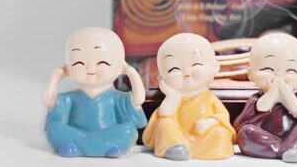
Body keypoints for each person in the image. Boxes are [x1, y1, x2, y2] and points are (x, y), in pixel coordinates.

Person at [42, 27, 147, 157]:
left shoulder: (115, 98)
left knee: (129, 130)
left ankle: (80, 145)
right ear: (68, 68)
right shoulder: (71, 98)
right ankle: (102, 146)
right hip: (77, 132)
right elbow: (48, 101)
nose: (90, 68)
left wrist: (131, 72)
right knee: (54, 128)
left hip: (106, 132)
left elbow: (138, 100)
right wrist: (56, 75)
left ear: (120, 67)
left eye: (102, 62)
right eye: (79, 62)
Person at [142, 33, 235, 160]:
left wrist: (208, 122)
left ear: (215, 67)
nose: (186, 72)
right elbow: (165, 114)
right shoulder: (173, 99)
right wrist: (171, 97)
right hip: (176, 136)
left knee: (221, 133)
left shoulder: (211, 100)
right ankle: (173, 147)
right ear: (161, 79)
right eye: (174, 69)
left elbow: (222, 116)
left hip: (202, 136)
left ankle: (206, 150)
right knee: (164, 123)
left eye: (196, 64)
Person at [233, 32, 297, 163]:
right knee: (245, 132)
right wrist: (272, 93)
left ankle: (293, 147)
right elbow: (242, 123)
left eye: (291, 70)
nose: (279, 75)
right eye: (268, 69)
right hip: (265, 138)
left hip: (294, 137)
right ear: (250, 74)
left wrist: (287, 95)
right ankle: (285, 150)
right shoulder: (255, 100)